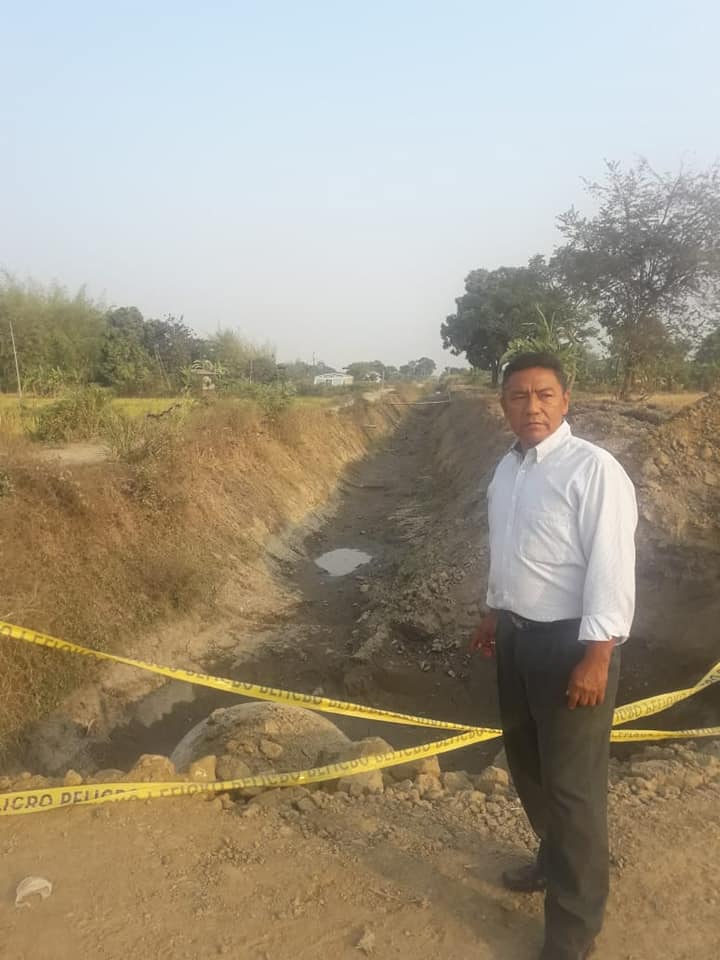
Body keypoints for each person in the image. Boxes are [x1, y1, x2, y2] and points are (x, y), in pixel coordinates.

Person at [472, 352, 637, 960]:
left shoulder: (593, 470)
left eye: (544, 394)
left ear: (566, 400)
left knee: (572, 789)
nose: (532, 406)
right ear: (503, 405)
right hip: (517, 639)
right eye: (519, 396)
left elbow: (612, 566)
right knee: (529, 766)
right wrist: (495, 611)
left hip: (572, 646)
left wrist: (598, 654)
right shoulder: (507, 469)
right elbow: (510, 550)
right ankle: (553, 858)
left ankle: (573, 930)